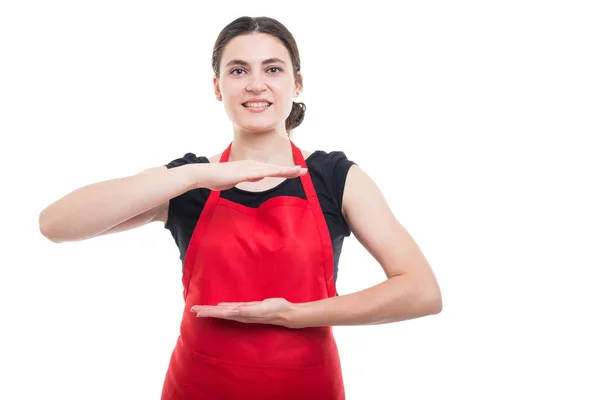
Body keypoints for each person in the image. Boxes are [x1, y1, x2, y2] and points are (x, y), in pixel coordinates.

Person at [39, 15, 442, 400]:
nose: (255, 85)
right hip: (198, 387)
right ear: (217, 88)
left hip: (306, 387)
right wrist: (195, 176)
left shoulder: (334, 178)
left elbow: (421, 291)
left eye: (272, 69)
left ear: (296, 83)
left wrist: (294, 315)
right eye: (237, 71)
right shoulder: (189, 182)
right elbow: (56, 224)